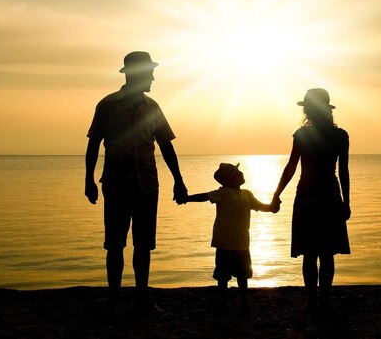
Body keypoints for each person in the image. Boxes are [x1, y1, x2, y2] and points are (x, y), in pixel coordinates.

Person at [85, 51, 188, 311]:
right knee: (115, 244)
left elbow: (166, 145)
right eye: (149, 72)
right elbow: (94, 143)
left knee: (143, 245)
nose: (153, 77)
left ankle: (142, 298)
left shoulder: (153, 107)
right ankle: (114, 299)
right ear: (136, 75)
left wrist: (179, 180)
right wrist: (88, 180)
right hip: (116, 184)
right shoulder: (108, 105)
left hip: (147, 185)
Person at [272, 88, 351, 310]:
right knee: (327, 253)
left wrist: (276, 194)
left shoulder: (302, 135)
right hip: (330, 195)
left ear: (307, 110)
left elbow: (290, 168)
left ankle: (312, 301)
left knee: (310, 252)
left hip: (306, 196)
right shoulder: (340, 136)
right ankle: (323, 299)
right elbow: (343, 171)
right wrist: (346, 202)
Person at [177, 163, 280, 307]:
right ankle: (223, 301)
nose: (241, 173)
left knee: (243, 276)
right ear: (231, 178)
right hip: (225, 244)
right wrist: (187, 198)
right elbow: (205, 196)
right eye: (237, 172)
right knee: (223, 276)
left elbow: (262, 207)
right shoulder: (223, 192)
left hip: (242, 243)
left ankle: (243, 301)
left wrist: (273, 207)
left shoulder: (247, 194)